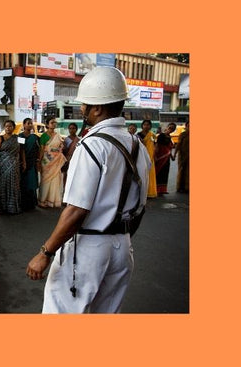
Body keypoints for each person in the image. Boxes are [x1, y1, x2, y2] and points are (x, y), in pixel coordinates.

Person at [26, 66, 151, 313]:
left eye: (84, 105)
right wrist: (119, 237)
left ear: (97, 108)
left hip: (89, 248)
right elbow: (141, 206)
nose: (81, 110)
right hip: (123, 248)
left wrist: (45, 252)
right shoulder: (138, 146)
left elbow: (76, 211)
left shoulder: (92, 146)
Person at [0, 120, 23, 215]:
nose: (8, 128)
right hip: (3, 166)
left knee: (14, 185)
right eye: (6, 126)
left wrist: (24, 162)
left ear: (13, 128)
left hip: (15, 165)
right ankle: (2, 207)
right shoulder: (0, 139)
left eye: (10, 126)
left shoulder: (18, 138)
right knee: (3, 184)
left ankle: (13, 207)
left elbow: (22, 151)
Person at [38, 116, 66, 208]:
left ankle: (53, 201)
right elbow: (42, 150)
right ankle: (43, 201)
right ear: (47, 124)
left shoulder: (58, 135)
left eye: (55, 122)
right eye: (52, 122)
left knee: (55, 180)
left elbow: (61, 147)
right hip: (46, 161)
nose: (54, 124)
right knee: (45, 181)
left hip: (56, 161)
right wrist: (39, 161)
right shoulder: (44, 136)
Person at [19, 118, 40, 211]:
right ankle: (23, 204)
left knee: (32, 182)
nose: (30, 125)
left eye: (31, 123)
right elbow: (21, 149)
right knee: (23, 183)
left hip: (32, 162)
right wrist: (23, 162)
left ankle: (32, 203)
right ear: (24, 125)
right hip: (23, 162)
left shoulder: (35, 137)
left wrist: (38, 160)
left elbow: (39, 148)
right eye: (28, 123)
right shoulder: (20, 136)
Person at [137, 119, 158, 198]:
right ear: (142, 126)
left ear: (150, 126)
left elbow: (156, 144)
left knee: (151, 175)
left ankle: (150, 192)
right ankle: (141, 193)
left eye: (148, 125)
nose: (146, 126)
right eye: (145, 124)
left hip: (151, 157)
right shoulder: (138, 135)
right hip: (142, 157)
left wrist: (155, 154)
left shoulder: (152, 135)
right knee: (142, 174)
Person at [155, 122, 177, 195]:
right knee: (159, 172)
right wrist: (155, 156)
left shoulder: (170, 137)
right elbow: (157, 146)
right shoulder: (161, 135)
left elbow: (169, 149)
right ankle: (156, 189)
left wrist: (172, 156)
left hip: (166, 158)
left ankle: (162, 190)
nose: (170, 129)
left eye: (172, 129)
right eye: (170, 127)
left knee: (165, 173)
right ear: (167, 127)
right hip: (160, 157)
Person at [61, 123, 80, 191]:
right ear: (68, 129)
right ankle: (65, 190)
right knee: (66, 175)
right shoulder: (66, 139)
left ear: (76, 129)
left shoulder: (79, 139)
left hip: (75, 159)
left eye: (73, 128)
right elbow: (63, 151)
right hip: (68, 159)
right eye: (70, 128)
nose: (72, 130)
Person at [175, 121, 189, 193]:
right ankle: (180, 187)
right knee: (182, 171)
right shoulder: (182, 135)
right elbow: (178, 145)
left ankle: (187, 187)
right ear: (186, 126)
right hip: (182, 156)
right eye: (188, 126)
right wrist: (174, 154)